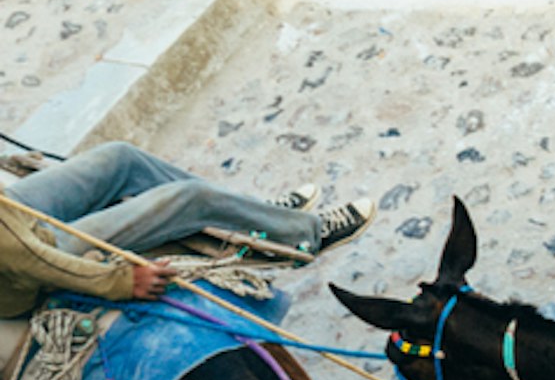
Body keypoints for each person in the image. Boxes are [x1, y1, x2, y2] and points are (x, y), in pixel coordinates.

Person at [0, 141, 365, 267]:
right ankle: (302, 237)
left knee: (120, 158)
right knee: (189, 198)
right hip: (20, 253)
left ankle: (254, 214)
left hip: (10, 212)